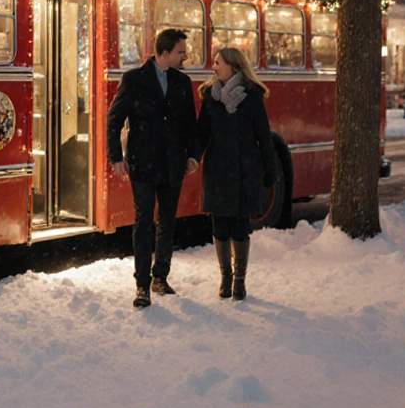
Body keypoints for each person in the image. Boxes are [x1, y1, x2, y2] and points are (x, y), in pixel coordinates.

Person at [106, 28, 201, 308]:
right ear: (165, 52)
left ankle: (161, 276)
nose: (185, 56)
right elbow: (114, 120)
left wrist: (193, 155)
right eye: (181, 52)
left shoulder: (182, 82)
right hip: (143, 163)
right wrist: (116, 157)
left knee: (168, 222)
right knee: (143, 222)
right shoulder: (134, 79)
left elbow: (189, 123)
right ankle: (142, 285)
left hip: (173, 163)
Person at [196, 47, 279, 301]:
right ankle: (226, 277)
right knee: (219, 224)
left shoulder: (252, 97)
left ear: (233, 66)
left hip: (245, 170)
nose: (214, 67)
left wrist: (270, 170)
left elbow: (263, 136)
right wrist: (191, 158)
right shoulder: (210, 96)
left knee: (240, 226)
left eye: (218, 62)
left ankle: (240, 280)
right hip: (217, 170)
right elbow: (202, 134)